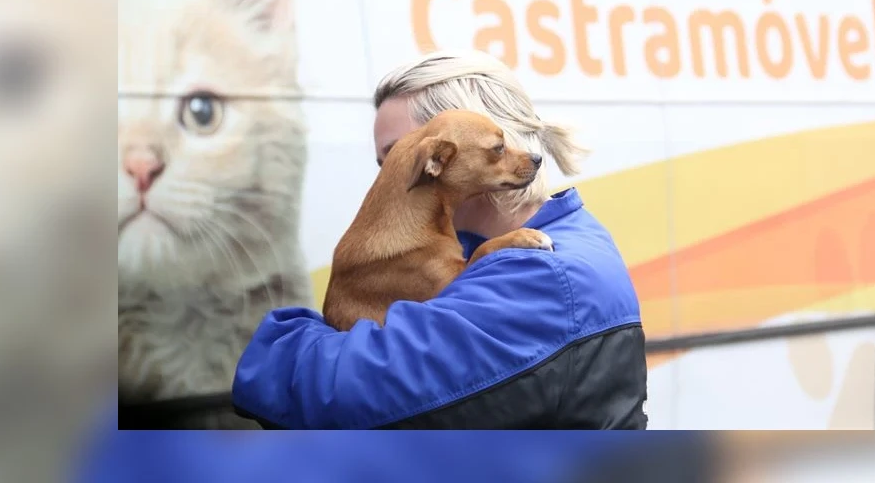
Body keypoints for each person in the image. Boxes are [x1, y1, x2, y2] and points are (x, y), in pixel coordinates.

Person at [231, 49, 647, 429]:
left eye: (401, 153)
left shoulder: (541, 275)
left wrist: (281, 347)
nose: (394, 175)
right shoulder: (528, 242)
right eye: (385, 161)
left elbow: (347, 398)